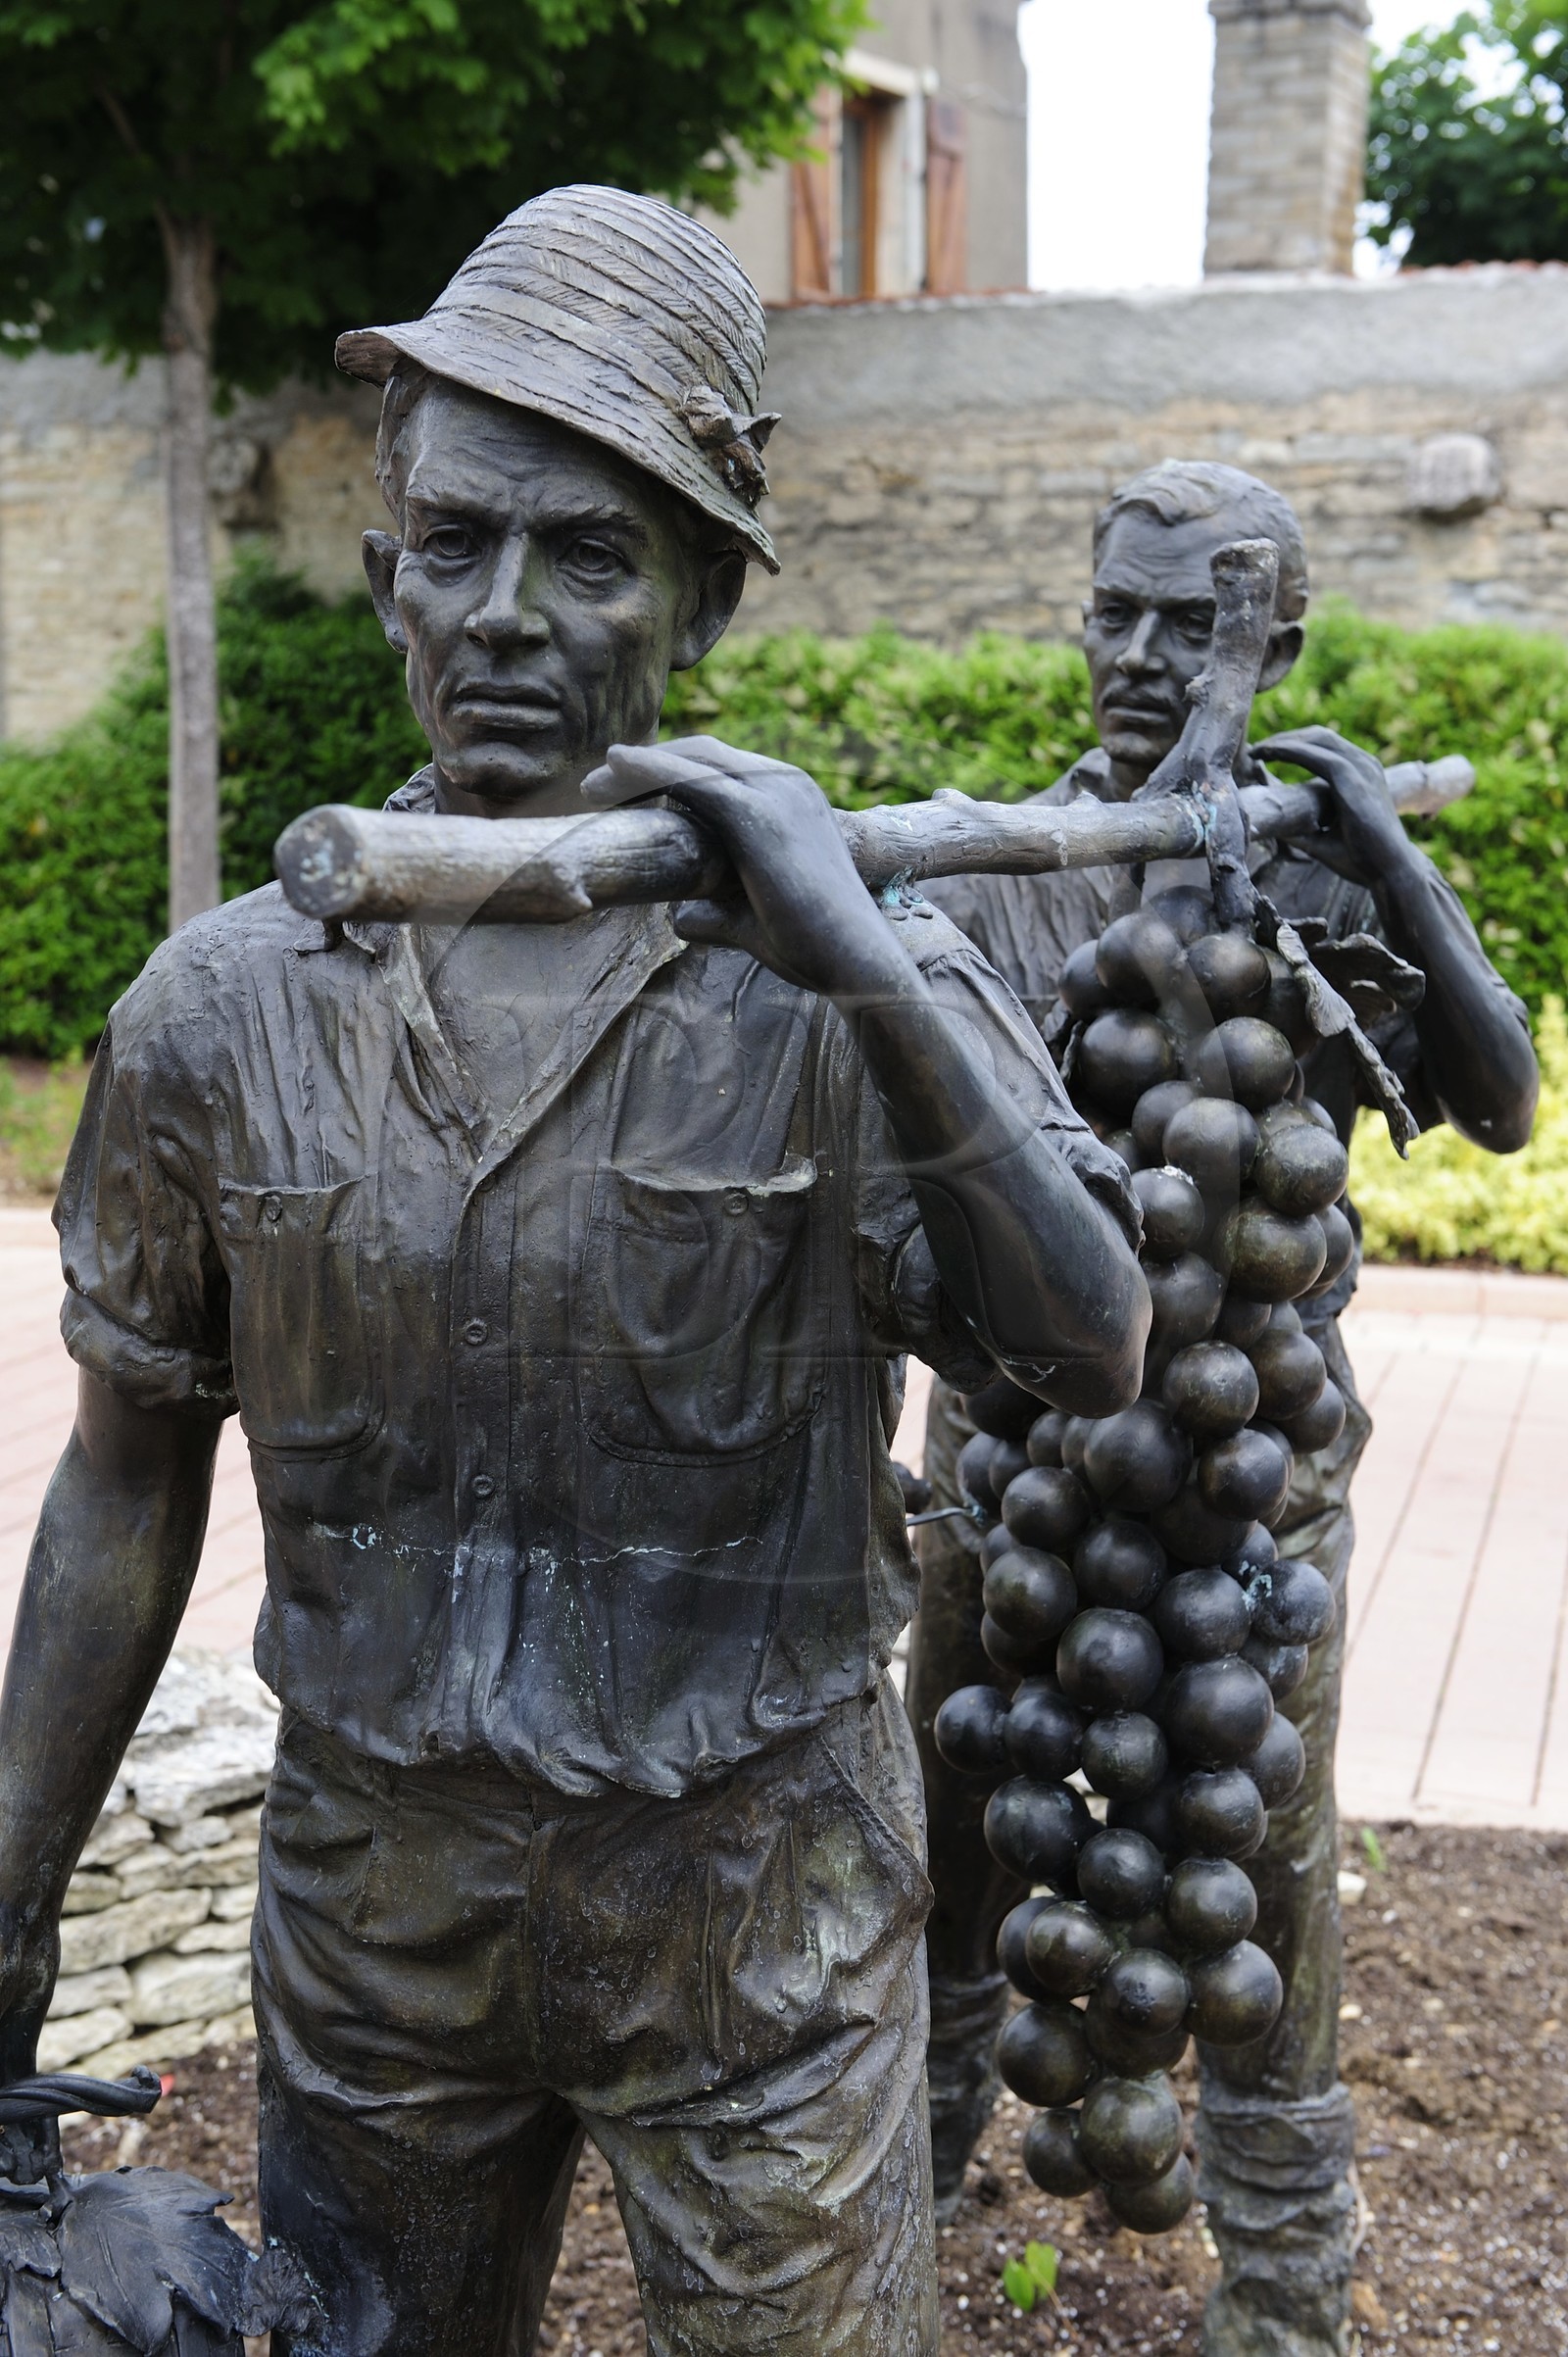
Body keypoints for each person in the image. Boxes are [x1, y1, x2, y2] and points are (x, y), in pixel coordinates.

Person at [0, 188, 1151, 2357]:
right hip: (377, 1929)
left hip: (761, 1933)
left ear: (700, 602)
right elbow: (123, 1478)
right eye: (457, 544)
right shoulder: (216, 1015)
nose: (507, 613)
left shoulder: (846, 983)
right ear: (384, 578)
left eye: (592, 556)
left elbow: (1087, 1344)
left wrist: (877, 990)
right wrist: (8, 1893)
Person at [910, 461, 1538, 2356]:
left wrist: (1396, 866)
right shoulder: (993, 861)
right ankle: (885, 2251)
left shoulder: (1322, 867)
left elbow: (1502, 1103)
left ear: (1276, 638)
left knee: (1265, 1897)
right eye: (1117, 610)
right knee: (953, 1864)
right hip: (1010, 1487)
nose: (1136, 655)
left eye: (1190, 623)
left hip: (1247, 1502)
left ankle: (1282, 2303)